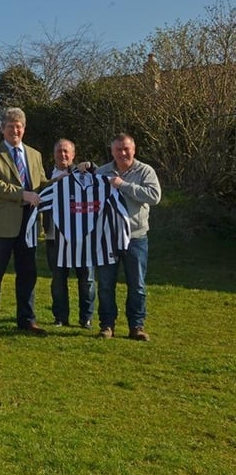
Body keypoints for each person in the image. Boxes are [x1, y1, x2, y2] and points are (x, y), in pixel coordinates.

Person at [0, 107, 50, 337]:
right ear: (3, 129)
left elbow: (43, 184)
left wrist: (69, 177)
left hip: (29, 226)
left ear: (24, 128)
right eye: (10, 126)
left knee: (28, 273)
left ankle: (27, 319)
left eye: (19, 126)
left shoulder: (35, 154)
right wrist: (23, 194)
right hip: (0, 226)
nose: (15, 130)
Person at [95, 133, 161, 340]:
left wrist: (122, 185)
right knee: (105, 284)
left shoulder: (145, 171)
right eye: (118, 150)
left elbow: (154, 196)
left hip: (136, 236)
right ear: (112, 151)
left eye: (126, 149)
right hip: (108, 237)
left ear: (134, 149)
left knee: (137, 284)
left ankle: (137, 326)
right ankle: (107, 326)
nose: (122, 153)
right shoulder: (102, 171)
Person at [44, 139, 96, 329]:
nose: (62, 155)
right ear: (54, 154)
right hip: (53, 236)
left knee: (86, 279)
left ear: (73, 155)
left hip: (82, 236)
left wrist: (91, 166)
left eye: (66, 152)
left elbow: (101, 175)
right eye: (59, 151)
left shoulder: (82, 173)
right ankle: (60, 317)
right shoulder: (45, 174)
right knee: (58, 279)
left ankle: (86, 318)